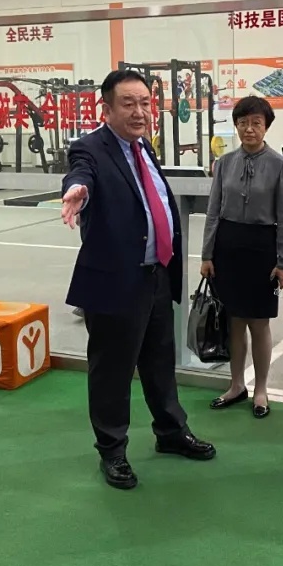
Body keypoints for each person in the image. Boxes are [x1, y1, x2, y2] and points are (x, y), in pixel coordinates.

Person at [60, 69, 216, 490]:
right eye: (128, 103)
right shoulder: (90, 148)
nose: (140, 111)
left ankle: (171, 432)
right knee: (112, 372)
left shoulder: (143, 146)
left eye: (145, 103)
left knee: (159, 363)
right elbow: (81, 174)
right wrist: (78, 190)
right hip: (115, 281)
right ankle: (112, 451)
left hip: (155, 275)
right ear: (107, 109)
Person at [201, 96, 283, 418]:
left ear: (266, 127)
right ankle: (236, 385)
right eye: (243, 123)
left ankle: (261, 389)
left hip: (263, 248)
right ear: (236, 126)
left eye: (256, 123)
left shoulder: (280, 165)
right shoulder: (224, 163)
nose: (249, 129)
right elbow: (213, 212)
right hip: (228, 247)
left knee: (260, 322)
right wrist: (207, 254)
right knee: (234, 321)